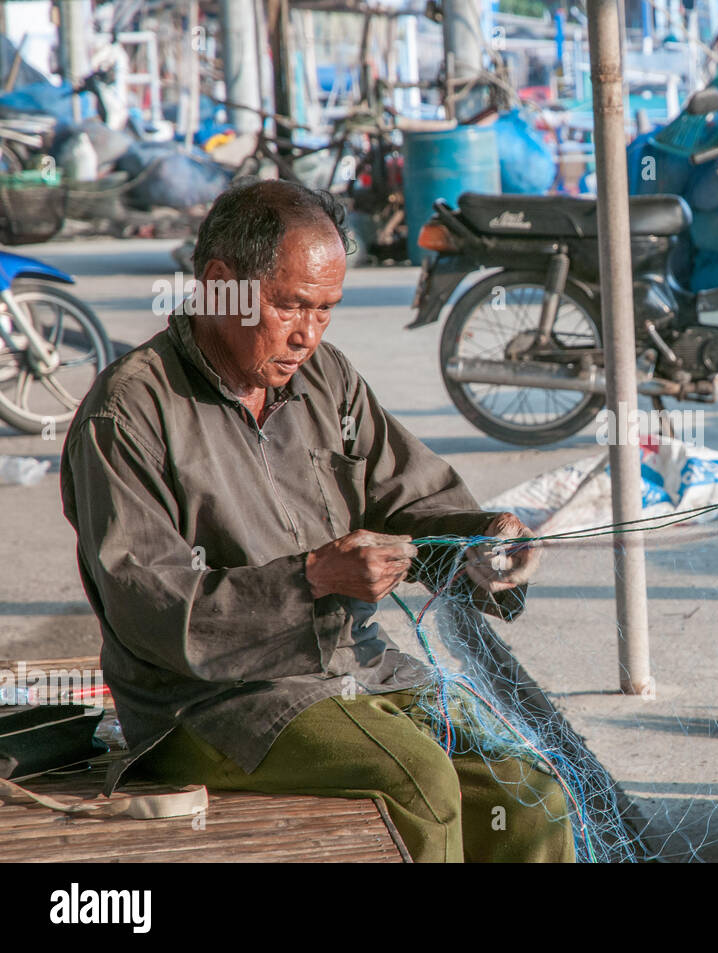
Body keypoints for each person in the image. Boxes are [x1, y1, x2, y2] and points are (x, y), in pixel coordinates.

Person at [60, 179, 573, 863]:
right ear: (220, 285)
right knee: (420, 783)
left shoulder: (324, 378)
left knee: (529, 789)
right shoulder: (129, 409)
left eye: (326, 310)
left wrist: (481, 541)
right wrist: (312, 579)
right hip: (210, 702)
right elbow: (152, 609)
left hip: (355, 666)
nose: (308, 334)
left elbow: (408, 497)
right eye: (291, 305)